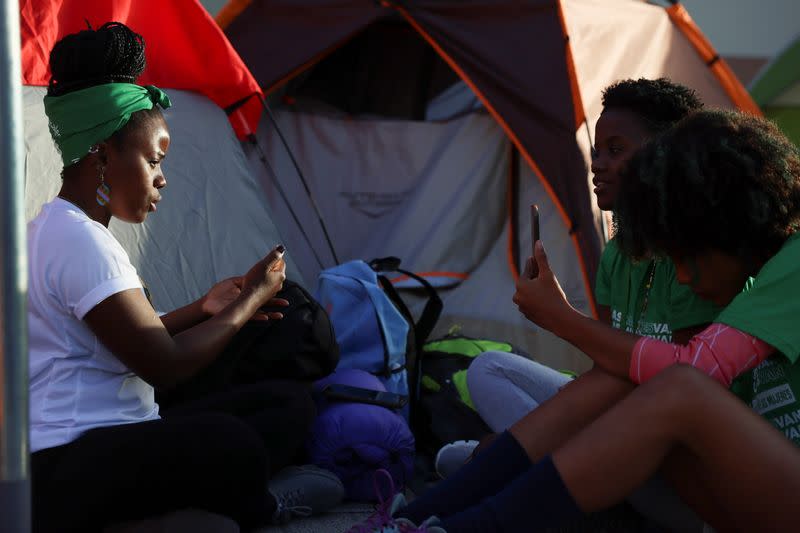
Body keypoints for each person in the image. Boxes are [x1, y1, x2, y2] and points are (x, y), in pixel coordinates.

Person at [347, 109, 800, 532]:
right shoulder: (664, 265)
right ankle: (419, 517)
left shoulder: (793, 263)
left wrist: (562, 319)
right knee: (620, 378)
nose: (681, 275)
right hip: (740, 488)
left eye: (689, 257)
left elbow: (696, 370)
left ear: (729, 225)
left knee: (675, 385)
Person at [29, 23, 341, 533]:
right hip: (69, 462)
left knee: (283, 403)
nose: (162, 178)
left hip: (107, 435)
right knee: (228, 443)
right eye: (154, 160)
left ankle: (203, 510)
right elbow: (166, 367)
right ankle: (256, 509)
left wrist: (204, 309)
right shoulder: (79, 242)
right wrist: (248, 303)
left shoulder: (58, 229)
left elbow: (112, 339)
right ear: (104, 155)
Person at [438, 79, 716, 530]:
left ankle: (512, 474)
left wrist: (563, 320)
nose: (597, 164)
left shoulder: (696, 260)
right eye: (597, 149)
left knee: (597, 406)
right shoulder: (616, 252)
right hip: (616, 421)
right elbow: (605, 369)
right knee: (488, 368)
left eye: (615, 149)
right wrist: (550, 418)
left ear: (664, 155)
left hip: (671, 458)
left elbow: (677, 389)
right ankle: (521, 469)